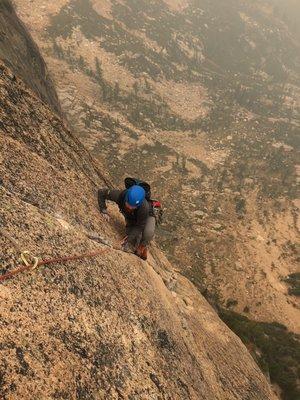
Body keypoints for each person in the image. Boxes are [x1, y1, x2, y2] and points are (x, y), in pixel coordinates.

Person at [98, 185, 156, 260]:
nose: (130, 208)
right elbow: (101, 192)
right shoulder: (120, 196)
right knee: (133, 243)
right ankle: (137, 242)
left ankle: (143, 246)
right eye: (128, 205)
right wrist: (103, 210)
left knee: (148, 233)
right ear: (126, 199)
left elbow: (140, 226)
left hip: (147, 216)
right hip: (132, 217)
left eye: (133, 207)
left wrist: (128, 238)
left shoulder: (144, 207)